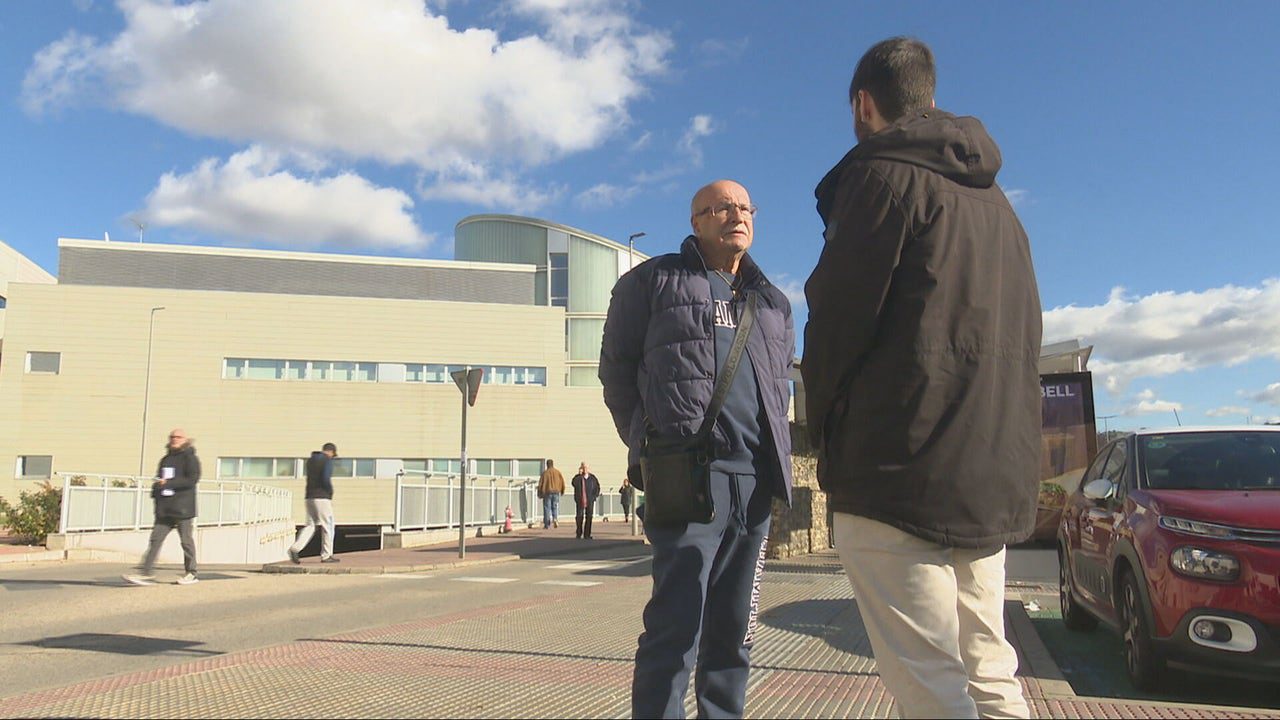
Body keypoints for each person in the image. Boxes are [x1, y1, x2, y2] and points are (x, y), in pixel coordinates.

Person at [803, 37, 1042, 719]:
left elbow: (837, 325)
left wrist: (829, 436)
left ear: (864, 104)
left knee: (932, 686)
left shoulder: (880, 178)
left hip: (896, 469)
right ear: (930, 98)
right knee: (991, 673)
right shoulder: (999, 206)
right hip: (986, 470)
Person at [601, 179, 795, 719]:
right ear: (696, 222)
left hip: (753, 487)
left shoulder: (773, 302)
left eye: (744, 207)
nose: (736, 215)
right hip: (688, 482)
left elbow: (778, 390)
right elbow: (615, 373)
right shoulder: (654, 282)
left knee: (734, 635)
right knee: (675, 629)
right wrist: (647, 446)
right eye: (722, 208)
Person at [124, 428, 201, 586]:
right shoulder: (166, 459)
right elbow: (160, 479)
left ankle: (191, 573)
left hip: (183, 508)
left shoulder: (190, 458)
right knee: (155, 540)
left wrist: (170, 483)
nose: (175, 439)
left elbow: (192, 480)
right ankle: (146, 573)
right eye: (172, 437)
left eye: (178, 437)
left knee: (186, 541)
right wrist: (157, 490)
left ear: (185, 439)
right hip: (165, 509)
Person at [288, 442, 340, 564]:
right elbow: (326, 478)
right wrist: (330, 491)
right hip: (322, 498)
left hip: (309, 497)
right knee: (329, 525)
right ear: (331, 452)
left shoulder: (311, 461)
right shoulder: (327, 461)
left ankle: (295, 548)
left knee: (311, 525)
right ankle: (326, 555)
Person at [570, 462, 601, 539]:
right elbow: (573, 483)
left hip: (590, 500)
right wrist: (579, 475)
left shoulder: (593, 478)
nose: (585, 469)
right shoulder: (578, 478)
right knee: (579, 517)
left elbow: (597, 487)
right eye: (583, 468)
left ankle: (587, 534)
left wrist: (595, 496)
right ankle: (579, 533)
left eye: (586, 468)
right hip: (580, 500)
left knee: (589, 517)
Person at [537, 459, 565, 529]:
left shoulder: (545, 473)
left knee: (547, 507)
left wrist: (539, 493)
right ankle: (555, 519)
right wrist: (562, 490)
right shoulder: (557, 472)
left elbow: (540, 484)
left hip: (547, 492)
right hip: (556, 491)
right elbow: (562, 482)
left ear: (547, 465)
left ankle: (547, 524)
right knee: (554, 506)